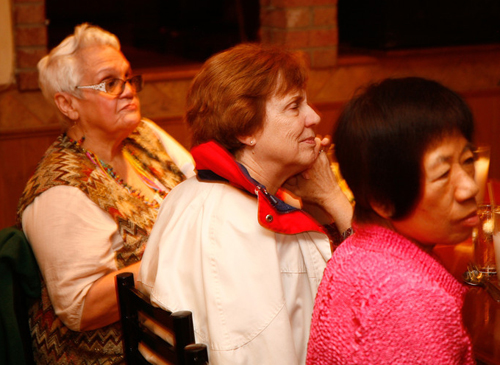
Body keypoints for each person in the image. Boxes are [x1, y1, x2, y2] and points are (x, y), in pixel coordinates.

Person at [138, 43, 353, 364]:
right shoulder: (246, 229)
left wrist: (321, 203)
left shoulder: (187, 192)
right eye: (295, 106)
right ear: (246, 128)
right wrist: (335, 198)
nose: (314, 116)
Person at [16, 23, 195, 364]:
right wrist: (180, 252)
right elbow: (81, 307)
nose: (128, 90)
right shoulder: (60, 188)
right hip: (118, 355)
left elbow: (203, 186)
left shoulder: (145, 135)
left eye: (128, 78)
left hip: (176, 328)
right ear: (68, 104)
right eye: (110, 83)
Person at [306, 77, 477, 364]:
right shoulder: (411, 298)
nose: (469, 188)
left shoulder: (356, 251)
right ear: (382, 200)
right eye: (443, 174)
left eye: (468, 160)